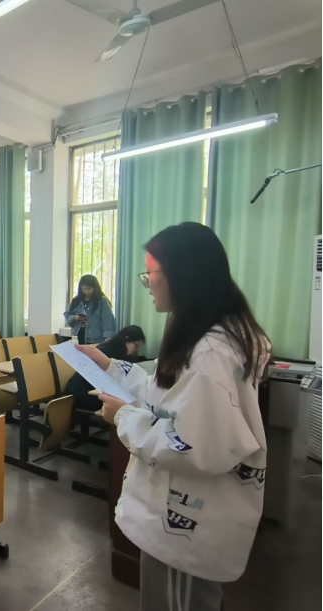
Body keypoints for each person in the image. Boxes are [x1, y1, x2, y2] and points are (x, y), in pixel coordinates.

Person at [78, 222, 269, 611]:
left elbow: (192, 446)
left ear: (182, 275)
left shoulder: (210, 354)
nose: (147, 283)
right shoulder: (205, 334)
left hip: (186, 522)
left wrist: (123, 417)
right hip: (181, 516)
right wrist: (110, 366)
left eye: (151, 273)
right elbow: (167, 395)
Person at [65, 325, 145, 412]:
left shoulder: (118, 353)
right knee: (129, 404)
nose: (135, 350)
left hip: (94, 391)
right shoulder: (105, 351)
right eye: (136, 346)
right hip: (84, 393)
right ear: (126, 339)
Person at [64, 275, 116, 345]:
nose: (87, 291)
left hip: (95, 339)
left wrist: (107, 338)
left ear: (95, 288)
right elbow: (67, 315)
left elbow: (108, 321)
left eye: (89, 289)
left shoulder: (101, 301)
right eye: (84, 289)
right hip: (77, 336)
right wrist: (75, 318)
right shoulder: (76, 300)